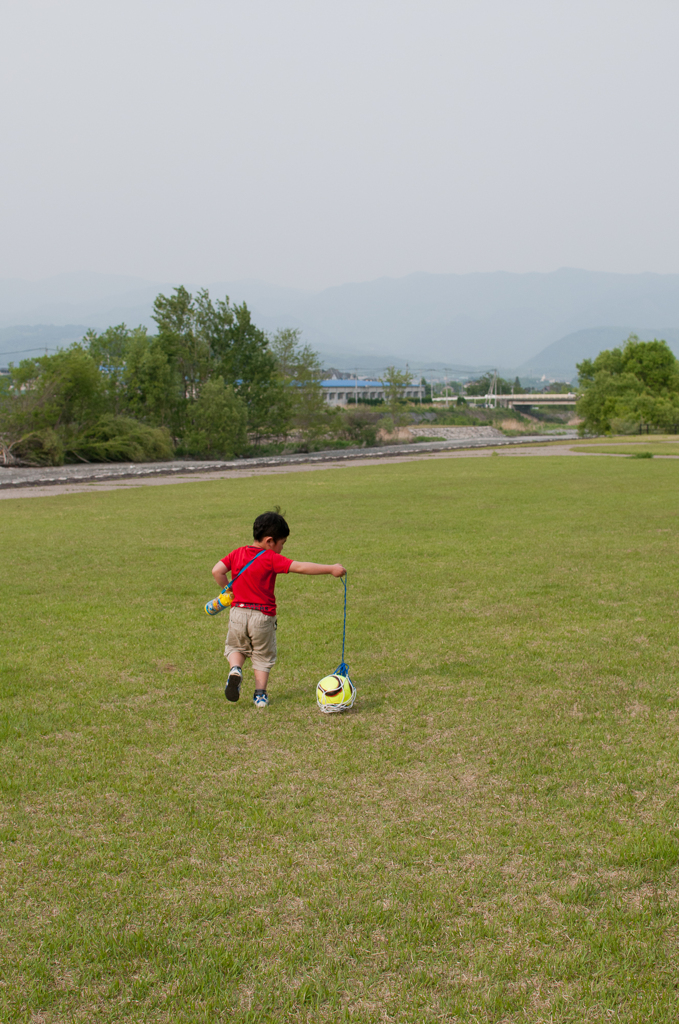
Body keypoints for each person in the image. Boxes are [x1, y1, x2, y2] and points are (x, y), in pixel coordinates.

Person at [211, 509, 346, 708]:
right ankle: (260, 695)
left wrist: (228, 589)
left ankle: (235, 670)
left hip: (237, 612)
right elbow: (300, 567)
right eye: (282, 544)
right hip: (263, 616)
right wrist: (331, 568)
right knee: (262, 655)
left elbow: (217, 570)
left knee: (235, 647)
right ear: (269, 541)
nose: (282, 548)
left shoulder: (237, 553)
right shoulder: (270, 557)